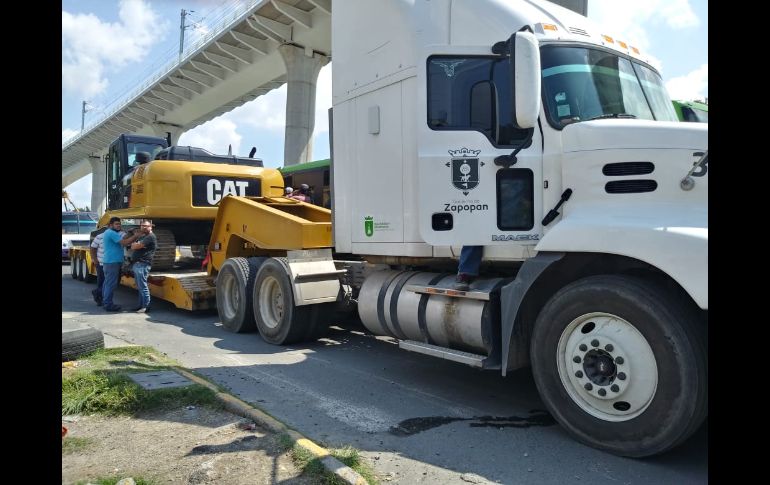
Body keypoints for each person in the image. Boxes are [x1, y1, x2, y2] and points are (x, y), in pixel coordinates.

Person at [101, 216, 143, 312]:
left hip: (110, 261)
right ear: (110, 225)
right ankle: (108, 304)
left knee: (107, 283)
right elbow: (124, 242)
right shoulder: (111, 233)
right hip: (112, 262)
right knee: (111, 284)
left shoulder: (110, 233)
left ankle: (105, 302)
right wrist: (136, 236)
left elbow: (123, 238)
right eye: (116, 224)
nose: (119, 226)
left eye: (119, 224)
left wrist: (129, 233)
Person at [89, 224, 124, 306]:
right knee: (103, 282)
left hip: (110, 262)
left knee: (111, 282)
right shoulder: (99, 236)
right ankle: (100, 299)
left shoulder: (119, 235)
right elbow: (93, 248)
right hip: (101, 263)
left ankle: (98, 294)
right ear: (109, 226)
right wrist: (95, 260)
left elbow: (126, 238)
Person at [129, 219, 157, 313]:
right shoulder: (144, 236)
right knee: (139, 286)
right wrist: (136, 245)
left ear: (151, 227)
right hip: (138, 264)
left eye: (146, 226)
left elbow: (136, 246)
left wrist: (136, 245)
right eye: (142, 225)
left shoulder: (150, 237)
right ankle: (140, 305)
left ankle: (146, 306)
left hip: (143, 264)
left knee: (143, 286)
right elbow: (134, 246)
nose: (144, 227)